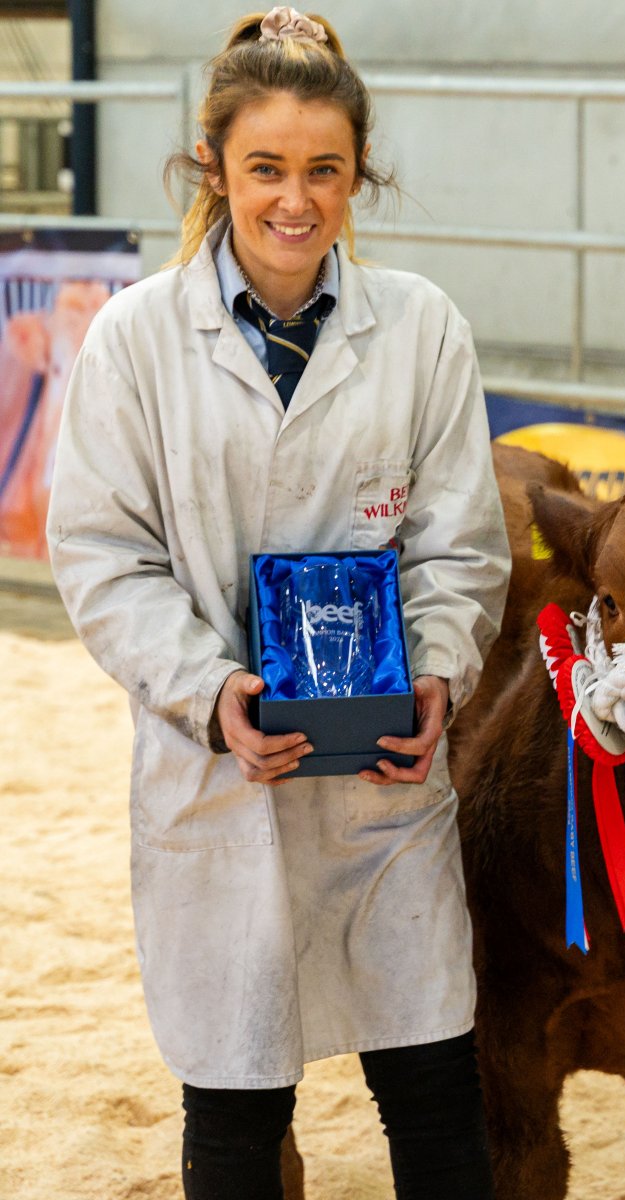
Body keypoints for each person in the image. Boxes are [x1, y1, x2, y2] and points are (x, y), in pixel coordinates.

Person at [45, 9, 508, 1198]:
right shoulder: (137, 341)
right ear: (214, 166)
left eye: (323, 170)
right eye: (265, 168)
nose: (295, 200)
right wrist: (210, 693)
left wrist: (438, 669)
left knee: (435, 1088)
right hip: (218, 783)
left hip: (384, 786)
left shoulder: (422, 329)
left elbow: (460, 544)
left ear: (360, 173)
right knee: (236, 1104)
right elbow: (100, 552)